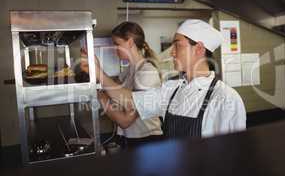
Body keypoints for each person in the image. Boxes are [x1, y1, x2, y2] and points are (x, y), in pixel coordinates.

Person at [81, 19, 246, 139]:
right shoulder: (171, 89)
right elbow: (130, 101)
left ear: (199, 49)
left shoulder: (225, 98)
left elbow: (231, 155)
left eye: (177, 45)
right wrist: (97, 72)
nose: (171, 52)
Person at [96, 22, 163, 148]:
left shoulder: (147, 72)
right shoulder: (128, 71)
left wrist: (100, 95)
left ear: (130, 42)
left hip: (147, 141)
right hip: (129, 139)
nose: (115, 49)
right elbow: (115, 94)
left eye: (117, 44)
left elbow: (125, 121)